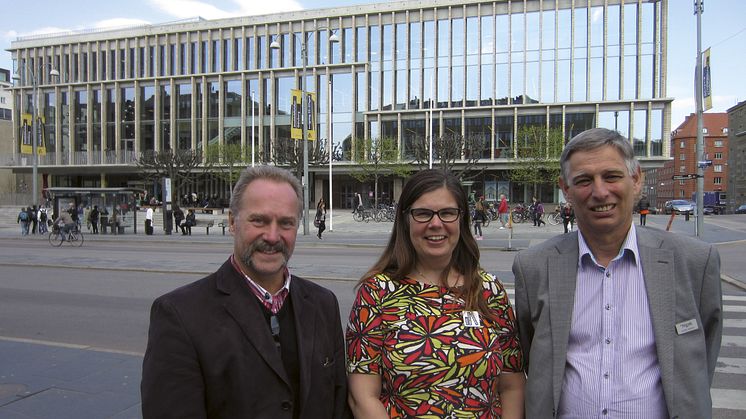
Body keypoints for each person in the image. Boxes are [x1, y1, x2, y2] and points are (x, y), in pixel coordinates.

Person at [512, 127, 722, 418]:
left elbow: (701, 356)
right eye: (584, 180)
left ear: (636, 180)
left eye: (611, 176)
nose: (600, 192)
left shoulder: (694, 261)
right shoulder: (532, 267)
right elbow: (530, 352)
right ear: (566, 190)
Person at [141, 165, 350, 418]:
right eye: (259, 220)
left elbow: (338, 404)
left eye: (285, 223)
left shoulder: (323, 304)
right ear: (232, 222)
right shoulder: (179, 315)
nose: (272, 236)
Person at [346, 169, 525, 418]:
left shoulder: (489, 290)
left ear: (461, 220)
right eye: (423, 213)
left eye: (448, 213)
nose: (436, 223)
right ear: (405, 219)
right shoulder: (376, 293)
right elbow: (362, 397)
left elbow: (512, 386)